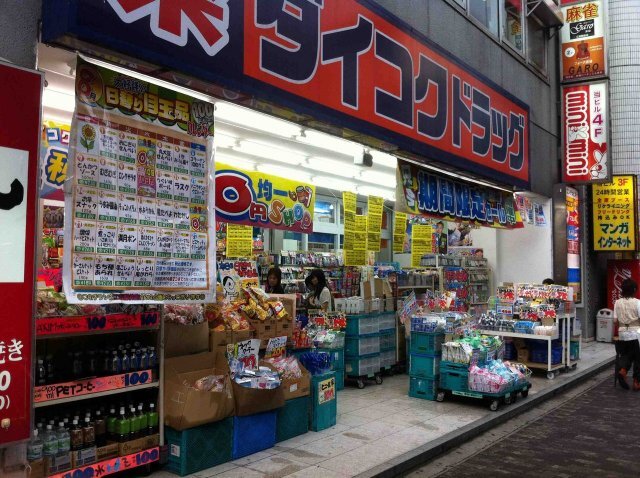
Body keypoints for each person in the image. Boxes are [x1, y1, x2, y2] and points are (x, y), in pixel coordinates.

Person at [613, 278, 640, 390]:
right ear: (634, 290)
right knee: (638, 357)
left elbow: (615, 321)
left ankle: (623, 370)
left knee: (626, 354)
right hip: (636, 333)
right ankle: (637, 381)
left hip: (622, 333)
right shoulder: (637, 302)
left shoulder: (617, 302)